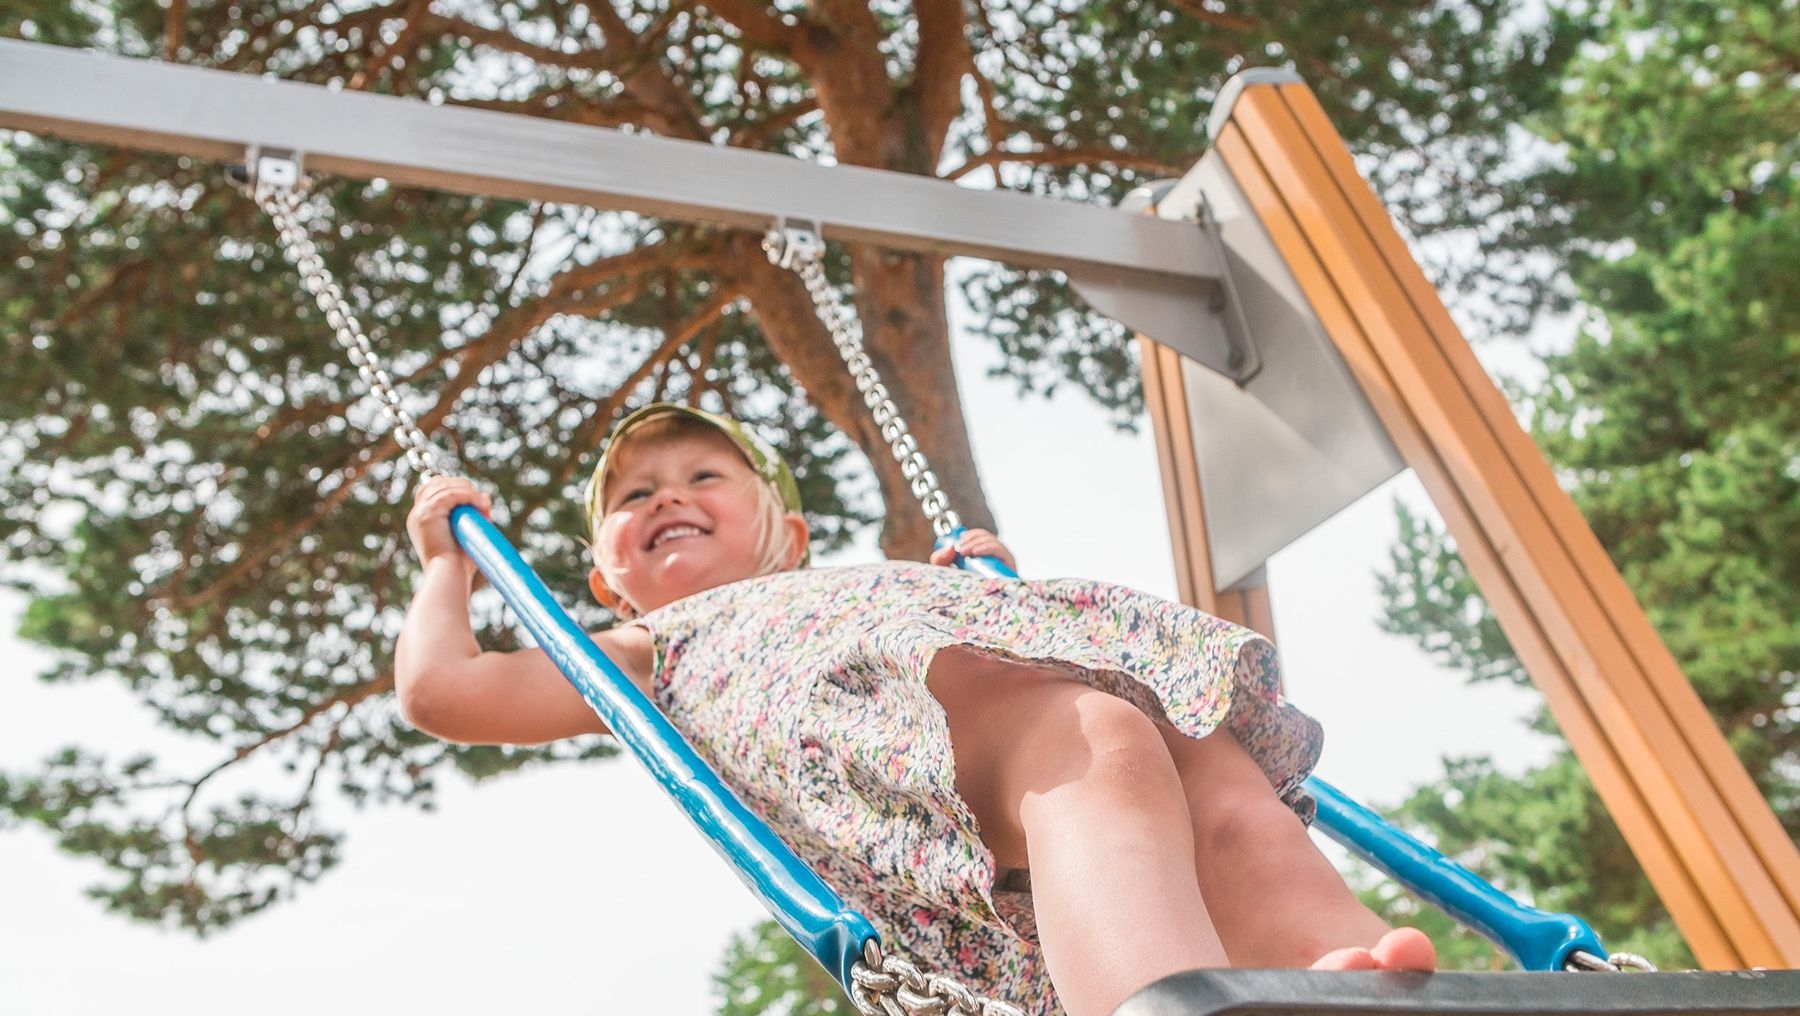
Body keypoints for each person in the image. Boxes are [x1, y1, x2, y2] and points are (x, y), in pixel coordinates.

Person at [398, 402, 1434, 1016]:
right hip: (908, 763)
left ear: (789, 534)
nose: (666, 495)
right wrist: (449, 563)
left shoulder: (860, 576)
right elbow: (445, 688)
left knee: (1207, 758)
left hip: (1005, 683)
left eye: (703, 474)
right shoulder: (645, 649)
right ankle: (1154, 995)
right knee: (1094, 738)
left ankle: (1337, 970)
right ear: (606, 583)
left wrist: (992, 600)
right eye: (633, 498)